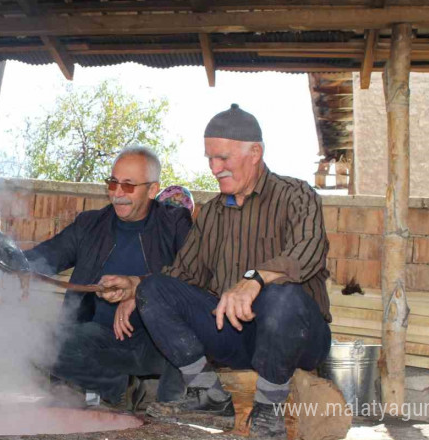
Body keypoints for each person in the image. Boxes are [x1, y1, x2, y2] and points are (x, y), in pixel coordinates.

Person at [98, 104, 331, 439]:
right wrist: (138, 288)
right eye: (209, 159)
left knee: (282, 296)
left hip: (298, 336)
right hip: (236, 335)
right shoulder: (211, 214)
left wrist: (255, 280)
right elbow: (182, 273)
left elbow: (309, 250)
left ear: (255, 152)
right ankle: (208, 393)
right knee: (155, 290)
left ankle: (268, 411)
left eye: (222, 158)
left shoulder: (297, 195)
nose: (214, 168)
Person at [25, 146, 193, 410]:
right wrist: (8, 263)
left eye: (128, 186)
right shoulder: (89, 224)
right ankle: (121, 388)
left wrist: (140, 290)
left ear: (152, 190)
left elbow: (194, 273)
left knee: (191, 333)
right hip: (100, 339)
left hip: (157, 342)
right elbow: (44, 256)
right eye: (113, 183)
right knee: (37, 342)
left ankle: (168, 404)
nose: (117, 193)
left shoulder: (175, 224)